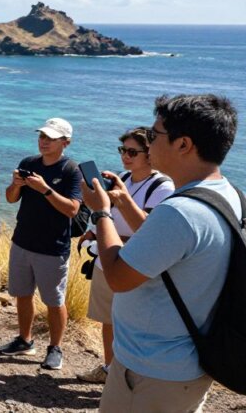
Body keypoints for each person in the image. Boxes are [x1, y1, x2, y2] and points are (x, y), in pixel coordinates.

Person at [84, 95, 239, 412]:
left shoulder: (179, 212)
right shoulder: (231, 194)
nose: (148, 142)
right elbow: (165, 247)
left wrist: (100, 212)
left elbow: (117, 277)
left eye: (154, 135)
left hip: (151, 370)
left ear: (183, 145)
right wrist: (125, 202)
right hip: (187, 361)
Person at [76, 127, 174, 384]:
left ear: (149, 154)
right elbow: (108, 216)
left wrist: (118, 205)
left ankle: (131, 378)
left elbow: (150, 232)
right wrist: (95, 233)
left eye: (133, 152)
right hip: (108, 260)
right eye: (123, 150)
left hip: (134, 266)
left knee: (132, 325)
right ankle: (109, 370)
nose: (125, 156)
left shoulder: (162, 187)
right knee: (108, 320)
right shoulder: (123, 178)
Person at [0, 118, 82, 371]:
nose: (43, 141)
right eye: (42, 136)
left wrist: (45, 189)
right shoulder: (29, 164)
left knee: (54, 301)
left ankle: (55, 348)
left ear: (65, 142)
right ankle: (25, 340)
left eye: (51, 138)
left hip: (52, 247)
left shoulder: (71, 170)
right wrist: (16, 184)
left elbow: (73, 210)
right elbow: (11, 200)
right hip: (22, 241)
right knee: (22, 295)